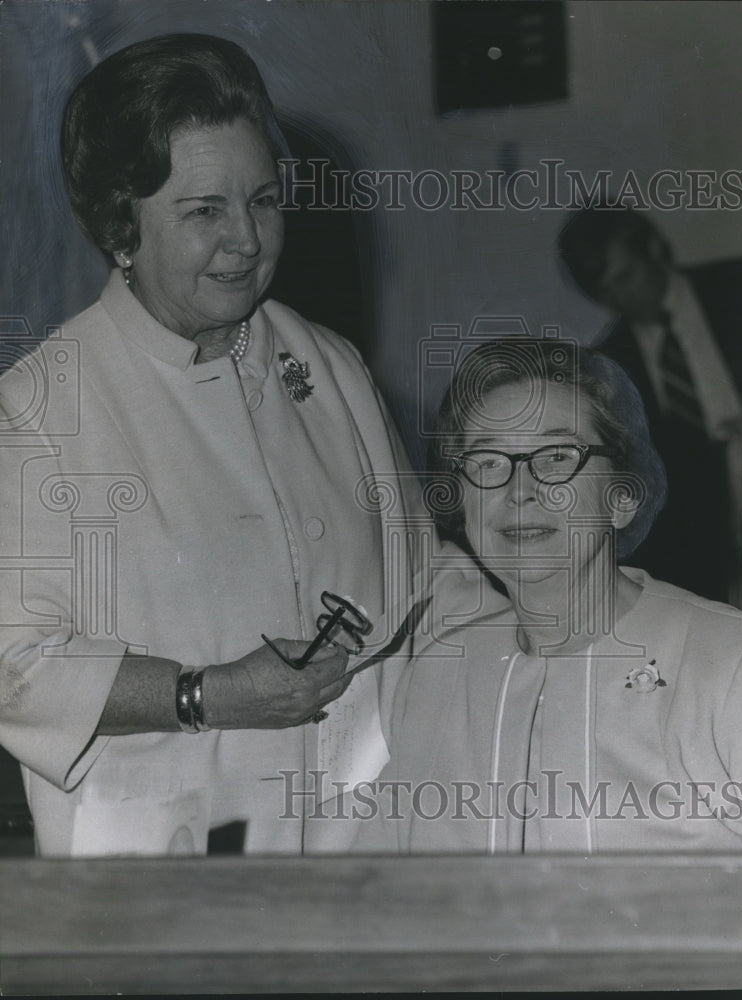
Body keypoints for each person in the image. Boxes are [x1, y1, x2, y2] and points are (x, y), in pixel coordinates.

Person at [0, 34, 422, 857]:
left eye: (262, 200)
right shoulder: (40, 410)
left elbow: (422, 581)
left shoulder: (327, 364)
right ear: (122, 226)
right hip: (161, 863)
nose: (246, 240)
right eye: (203, 212)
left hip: (356, 845)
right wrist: (206, 695)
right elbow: (14, 666)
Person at [352, 339, 742, 853]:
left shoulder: (740, 664)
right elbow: (376, 897)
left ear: (621, 498)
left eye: (556, 456)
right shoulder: (435, 677)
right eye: (487, 460)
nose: (520, 489)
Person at [556, 206, 742, 603]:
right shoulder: (609, 361)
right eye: (605, 291)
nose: (621, 298)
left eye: (625, 277)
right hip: (704, 528)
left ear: (653, 248)